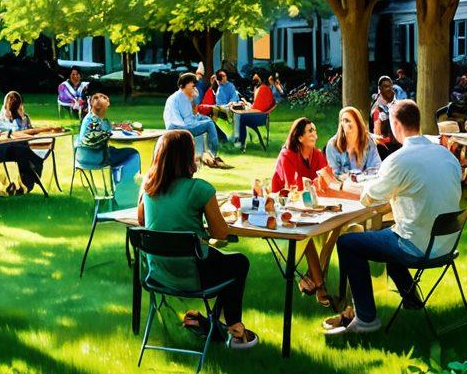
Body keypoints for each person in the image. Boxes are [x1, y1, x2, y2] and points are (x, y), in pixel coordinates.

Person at [327, 100, 462, 336]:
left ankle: (366, 319)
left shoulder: (399, 160)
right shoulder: (446, 154)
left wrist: (343, 185)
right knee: (391, 230)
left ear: (396, 125)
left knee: (348, 243)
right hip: (447, 244)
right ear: (418, 121)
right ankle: (411, 301)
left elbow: (369, 198)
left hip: (418, 246)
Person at [137, 130, 258, 349]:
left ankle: (214, 325)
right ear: (186, 156)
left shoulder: (148, 187)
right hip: (191, 276)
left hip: (157, 274)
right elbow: (221, 234)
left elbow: (141, 221)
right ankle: (235, 326)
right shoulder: (200, 189)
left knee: (221, 262)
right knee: (238, 262)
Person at [271, 117, 334, 306]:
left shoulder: (316, 154)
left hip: (311, 204)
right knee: (304, 234)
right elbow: (292, 187)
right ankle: (320, 286)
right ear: (299, 137)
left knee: (334, 228)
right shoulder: (287, 155)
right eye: (310, 131)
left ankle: (310, 277)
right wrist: (314, 186)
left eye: (314, 130)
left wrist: (318, 186)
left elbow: (326, 178)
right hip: (284, 205)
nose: (315, 134)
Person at [76, 92, 142, 186]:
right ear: (102, 108)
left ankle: (116, 182)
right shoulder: (94, 121)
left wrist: (120, 125)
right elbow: (99, 135)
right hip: (95, 157)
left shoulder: (94, 118)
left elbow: (110, 127)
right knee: (133, 153)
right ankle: (125, 188)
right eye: (106, 106)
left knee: (116, 151)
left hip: (83, 156)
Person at [164, 73, 223, 168]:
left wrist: (201, 118)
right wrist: (202, 121)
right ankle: (213, 156)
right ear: (182, 85)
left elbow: (192, 115)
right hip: (179, 128)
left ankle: (206, 155)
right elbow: (189, 121)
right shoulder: (182, 97)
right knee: (209, 124)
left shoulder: (177, 96)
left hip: (175, 125)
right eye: (192, 84)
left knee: (206, 120)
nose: (194, 86)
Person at [326, 106, 381, 175]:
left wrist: (361, 179)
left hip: (366, 183)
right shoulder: (333, 144)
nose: (344, 123)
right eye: (342, 121)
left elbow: (375, 168)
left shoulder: (368, 142)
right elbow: (335, 174)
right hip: (343, 184)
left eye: (347, 120)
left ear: (358, 123)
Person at [232, 71, 276, 151]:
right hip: (261, 115)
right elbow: (257, 106)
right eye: (254, 80)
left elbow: (257, 108)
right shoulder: (264, 88)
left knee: (239, 116)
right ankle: (239, 142)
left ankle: (239, 143)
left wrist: (246, 105)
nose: (254, 82)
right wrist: (247, 103)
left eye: (256, 79)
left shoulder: (262, 89)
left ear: (261, 79)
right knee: (239, 116)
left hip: (259, 117)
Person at [370, 76, 401, 158]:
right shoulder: (376, 110)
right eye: (386, 86)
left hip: (396, 146)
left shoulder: (394, 104)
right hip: (385, 149)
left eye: (391, 86)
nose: (389, 89)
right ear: (380, 89)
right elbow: (378, 136)